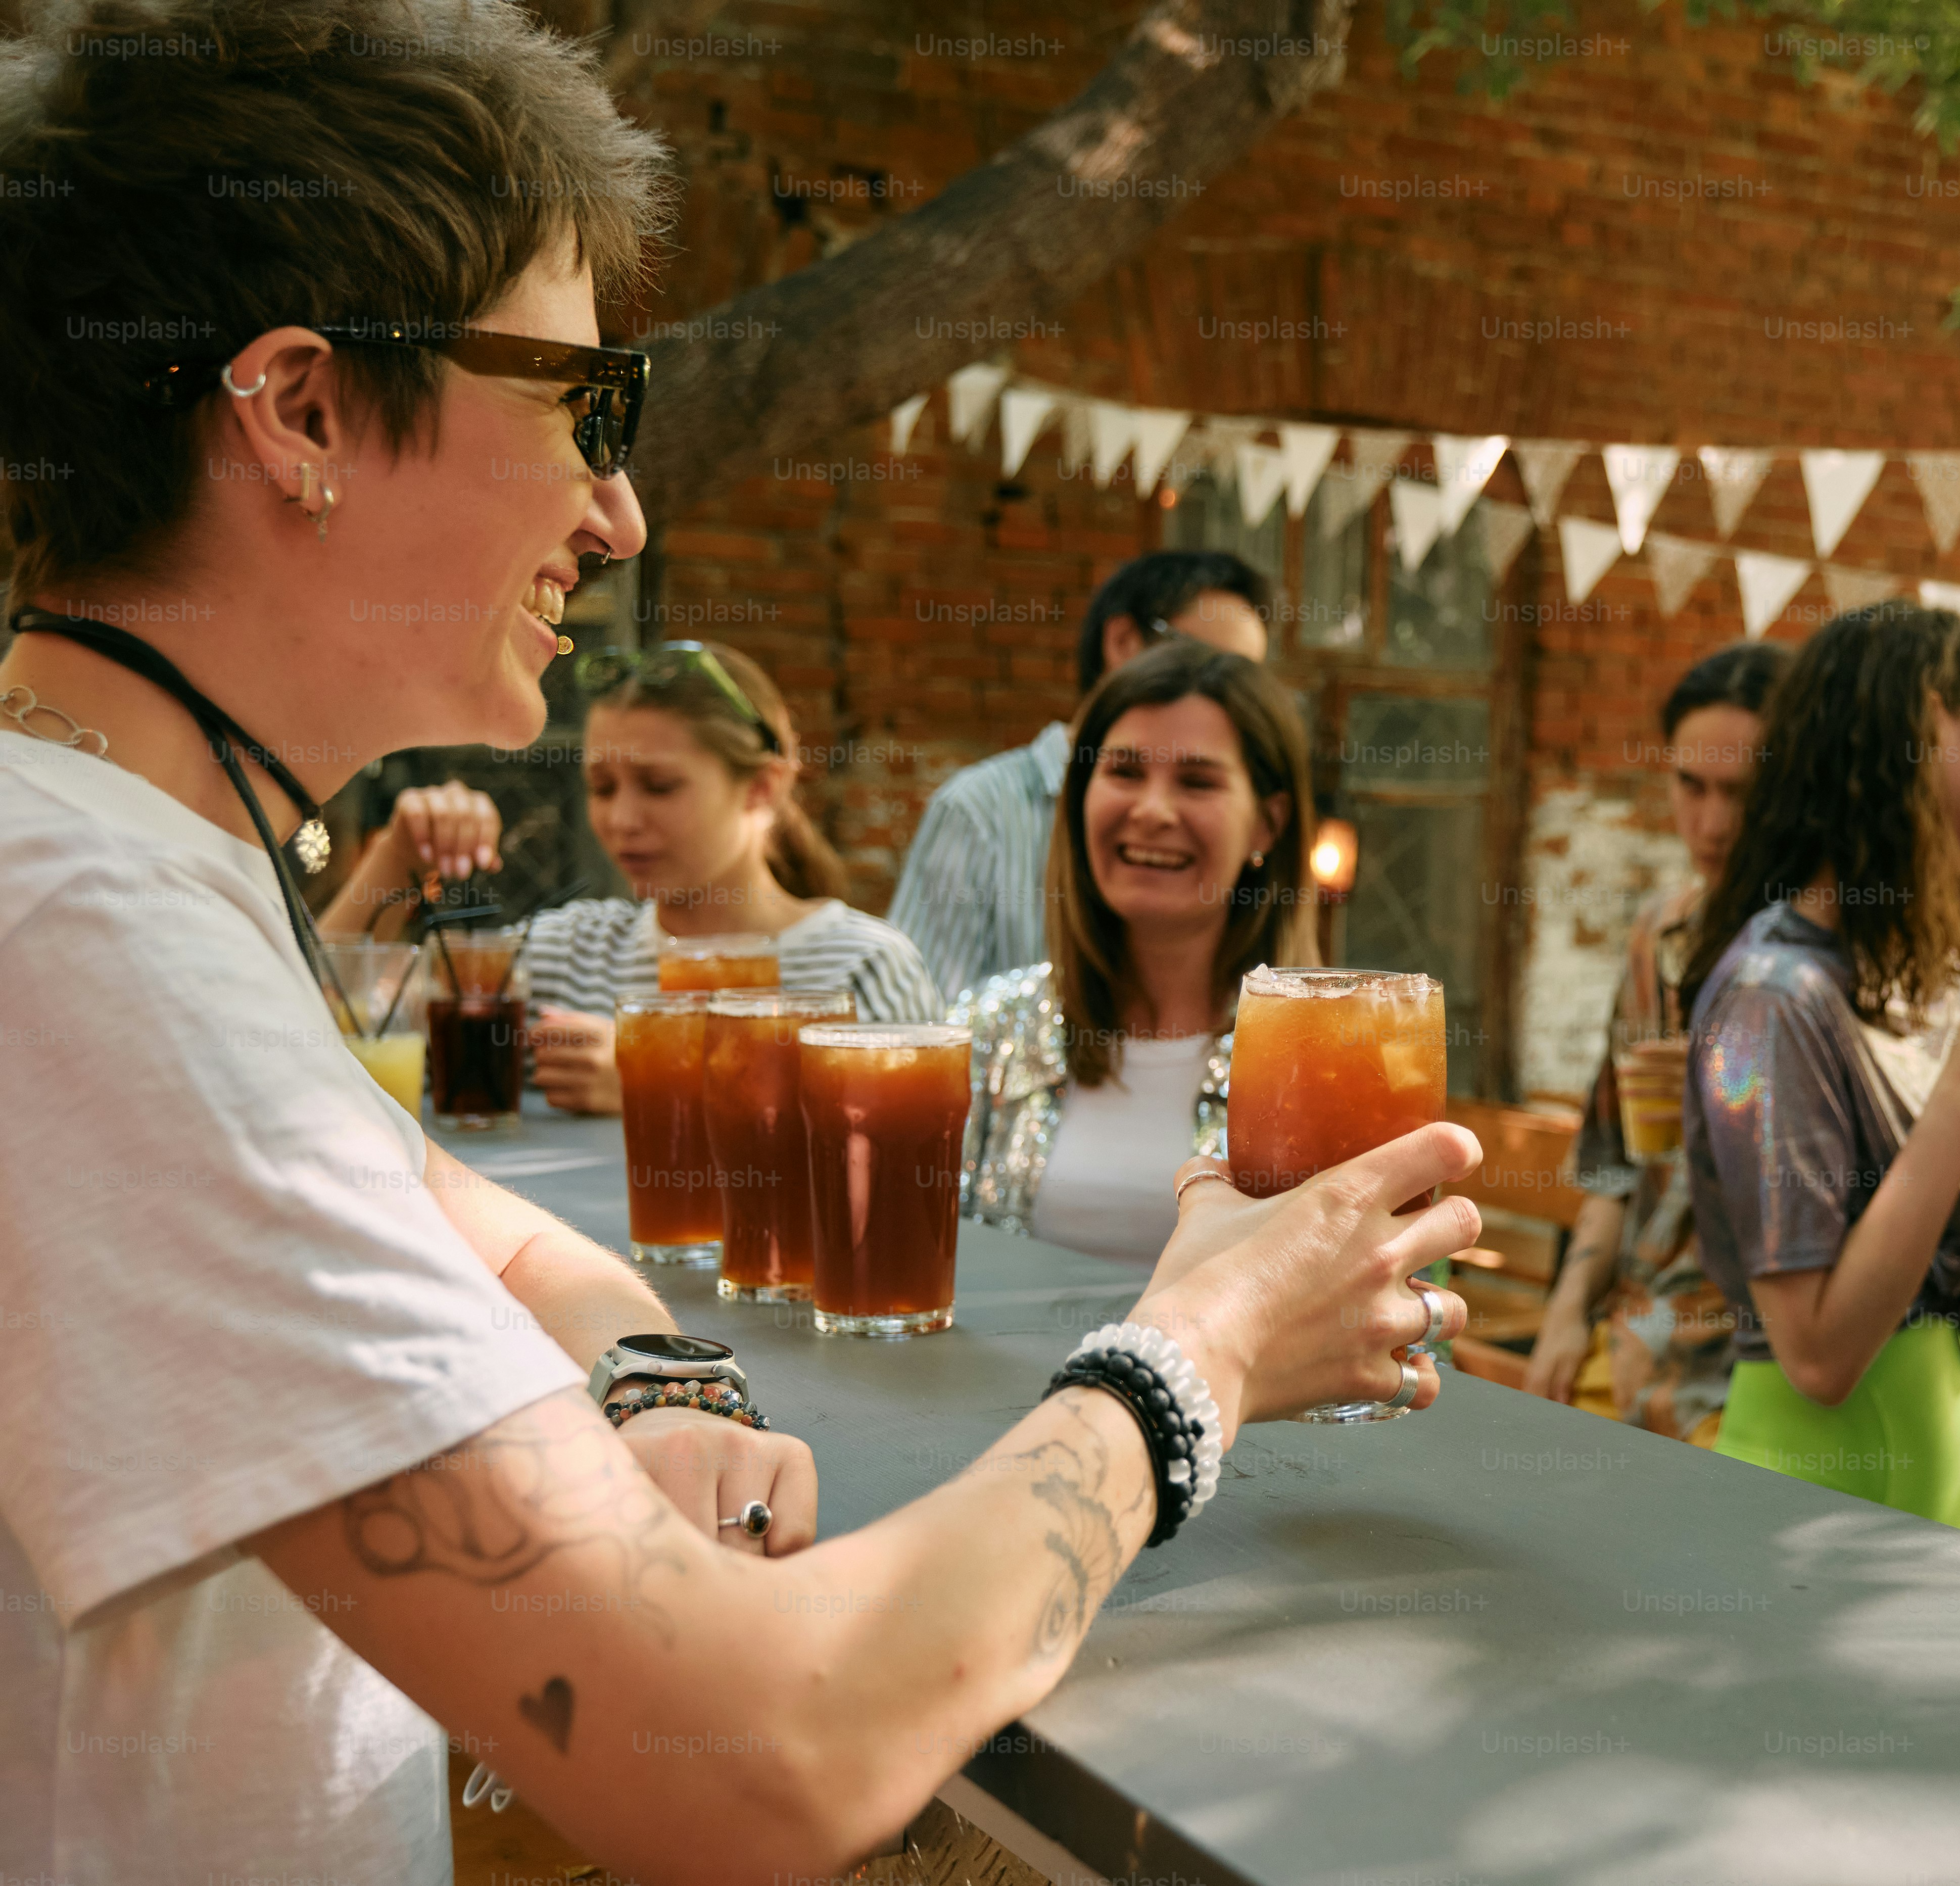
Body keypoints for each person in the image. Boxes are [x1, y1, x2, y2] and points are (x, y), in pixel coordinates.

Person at [0, 7, 1468, 1878]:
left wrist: (659, 1375)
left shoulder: (116, 867)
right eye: (579, 402)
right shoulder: (90, 939)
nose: (614, 509)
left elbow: (467, 1216)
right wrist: (1200, 1352)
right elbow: (758, 1761)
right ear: (299, 412)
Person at [1678, 601, 1960, 1534]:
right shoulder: (1768, 996)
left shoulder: (1922, 975)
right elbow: (1821, 1356)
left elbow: (1912, 1264)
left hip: (1943, 1472)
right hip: (1819, 1496)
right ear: (1928, 727)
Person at [318, 637, 942, 1112]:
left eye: (659, 786)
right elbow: (314, 1038)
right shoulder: (569, 951)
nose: (621, 820)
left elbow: (900, 1166)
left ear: (761, 787)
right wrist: (396, 858)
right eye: (601, 787)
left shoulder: (857, 969)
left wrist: (661, 1083)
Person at [955, 639, 1315, 1266]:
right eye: (1123, 771)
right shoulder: (981, 1028)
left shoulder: (1330, 1060)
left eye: (1197, 781)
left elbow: (1398, 1320)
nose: (1151, 810)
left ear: (1267, 824)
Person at [1524, 640, 1786, 1442]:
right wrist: (1564, 1317)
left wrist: (1726, 1097)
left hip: (1754, 1360)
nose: (1711, 823)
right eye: (1691, 785)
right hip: (1633, 1337)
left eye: (1740, 792)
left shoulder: (1810, 961)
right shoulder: (1659, 932)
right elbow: (1613, 1160)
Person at [889, 550, 1271, 1005]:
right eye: (1205, 659)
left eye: (1246, 679)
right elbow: (918, 1021)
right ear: (1124, 641)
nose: (1153, 811)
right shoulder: (981, 810)